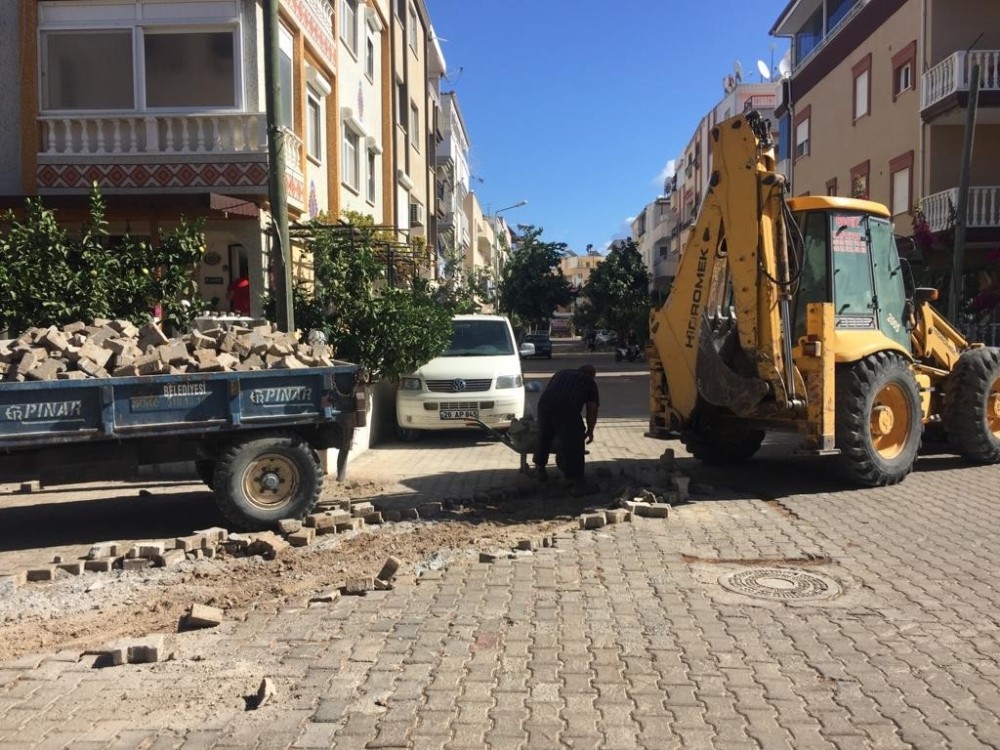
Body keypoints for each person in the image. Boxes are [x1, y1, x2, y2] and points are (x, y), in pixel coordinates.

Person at [532, 364, 600, 482]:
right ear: (591, 375)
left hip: (544, 405)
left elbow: (550, 389)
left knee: (544, 436)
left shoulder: (561, 373)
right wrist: (590, 430)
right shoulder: (589, 382)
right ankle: (572, 477)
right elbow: (592, 409)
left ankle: (540, 469)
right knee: (575, 439)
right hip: (567, 408)